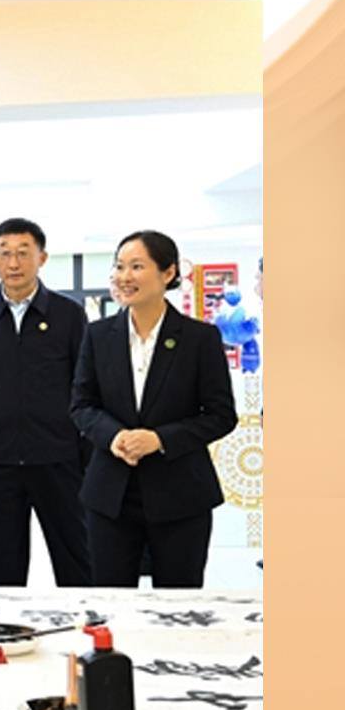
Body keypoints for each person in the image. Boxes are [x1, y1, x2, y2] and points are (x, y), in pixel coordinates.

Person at [70, 229, 238, 588]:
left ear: (168, 272)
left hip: (181, 494)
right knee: (110, 603)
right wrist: (114, 436)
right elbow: (82, 405)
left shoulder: (200, 338)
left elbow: (221, 415)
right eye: (119, 266)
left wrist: (159, 439)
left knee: (179, 602)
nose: (124, 276)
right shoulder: (98, 336)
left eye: (136, 266)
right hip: (110, 495)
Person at [0, 218, 91, 587]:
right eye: (6, 253)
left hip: (59, 458)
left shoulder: (68, 314)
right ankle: (2, 625)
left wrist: (86, 452)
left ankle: (87, 622)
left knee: (78, 560)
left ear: (42, 258)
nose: (14, 263)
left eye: (23, 253)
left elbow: (86, 386)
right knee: (0, 568)